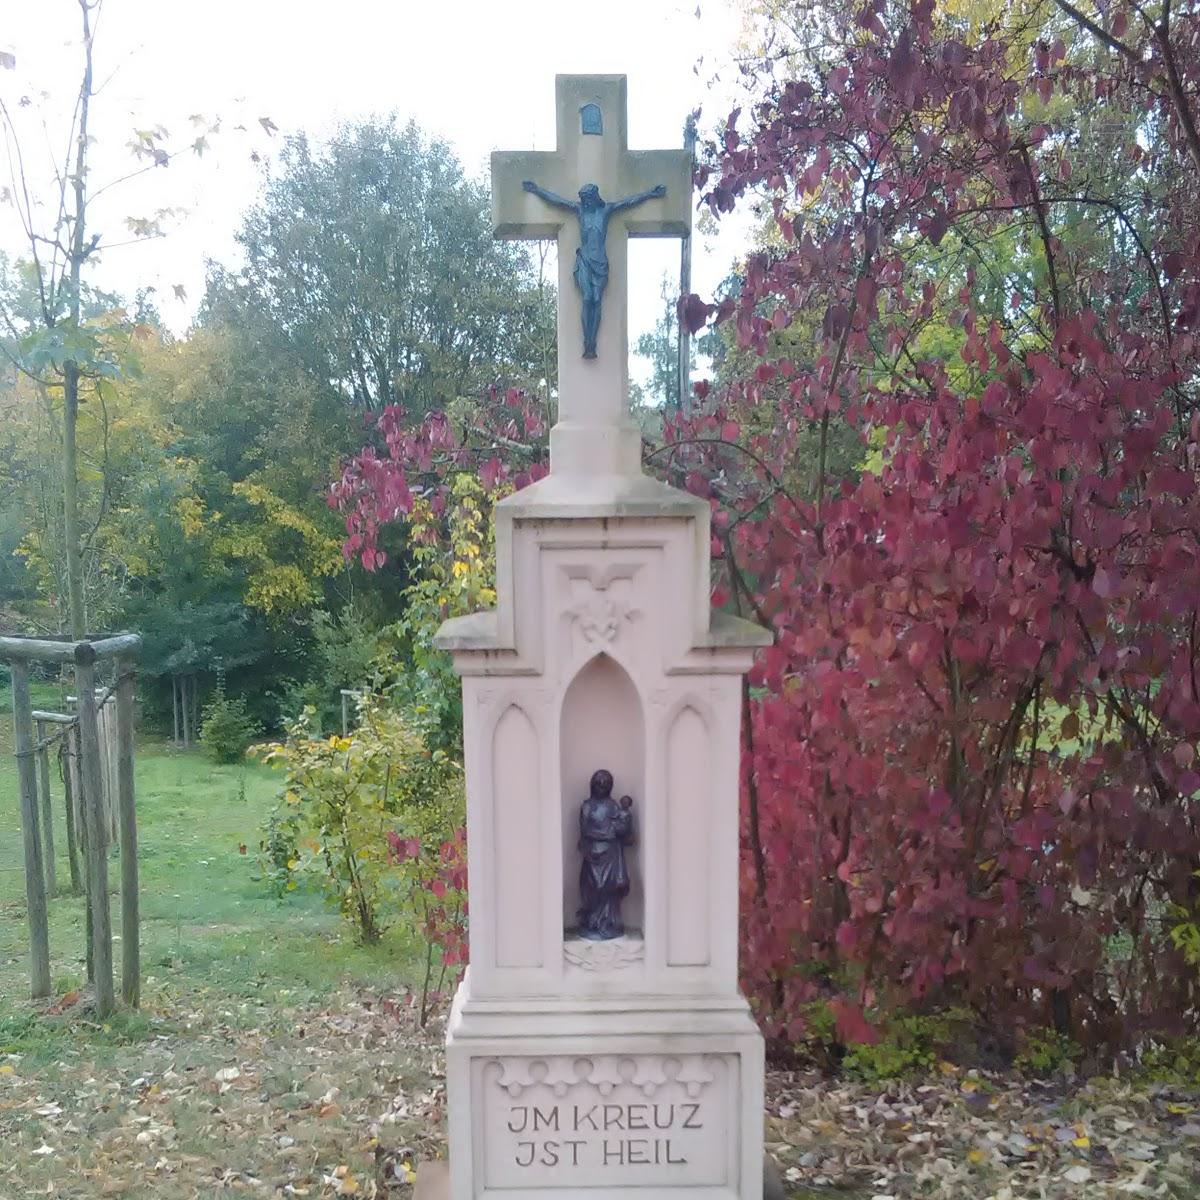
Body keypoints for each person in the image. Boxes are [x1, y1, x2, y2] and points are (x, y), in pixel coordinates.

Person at [522, 180, 667, 358]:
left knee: (597, 300)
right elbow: (558, 201)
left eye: (587, 199)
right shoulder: (580, 211)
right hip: (584, 260)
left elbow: (628, 202)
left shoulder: (605, 211)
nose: (585, 203)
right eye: (583, 200)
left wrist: (650, 194)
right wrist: (537, 190)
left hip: (600, 262)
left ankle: (592, 342)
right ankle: (587, 343)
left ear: (594, 198)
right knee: (587, 297)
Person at [576, 768, 635, 940]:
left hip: (611, 856)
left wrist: (625, 824)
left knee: (608, 889)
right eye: (599, 782)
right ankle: (593, 922)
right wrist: (608, 833)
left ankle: (608, 922)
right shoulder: (587, 806)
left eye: (606, 782)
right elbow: (585, 830)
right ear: (593, 785)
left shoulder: (614, 806)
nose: (602, 785)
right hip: (592, 855)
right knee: (593, 888)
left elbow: (624, 833)